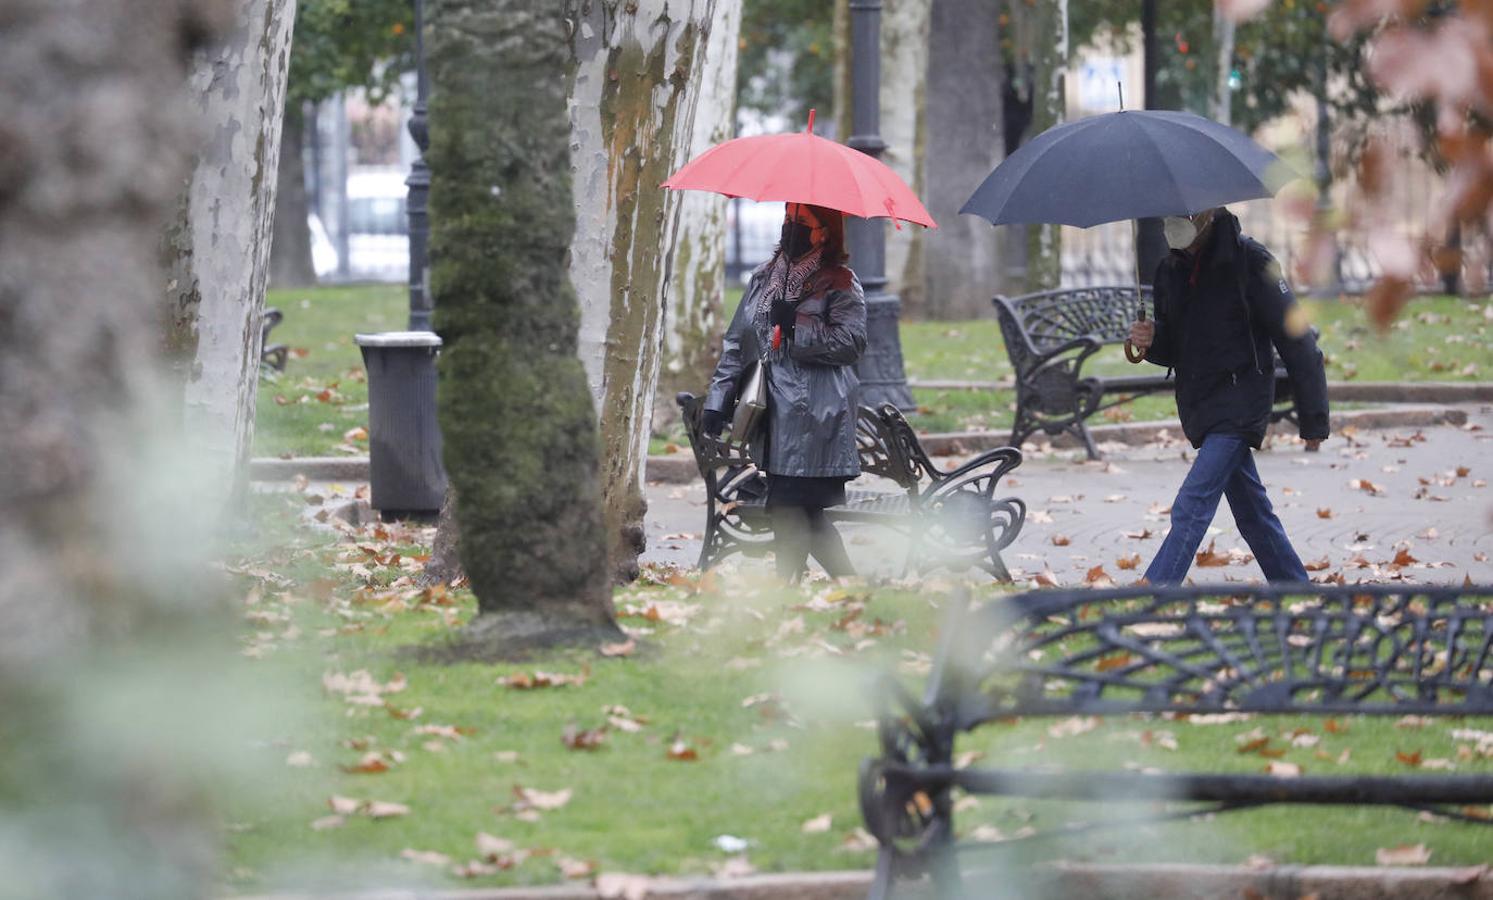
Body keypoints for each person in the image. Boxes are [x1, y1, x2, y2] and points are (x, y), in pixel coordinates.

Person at [1127, 207, 1329, 585]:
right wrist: (1151, 340)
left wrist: (1313, 417)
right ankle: (1296, 589)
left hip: (1242, 401)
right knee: (1254, 513)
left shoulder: (1251, 261)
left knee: (1192, 504)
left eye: (1187, 213)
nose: (1176, 221)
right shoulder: (1169, 270)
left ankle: (1152, 595)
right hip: (1199, 403)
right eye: (1172, 212)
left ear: (1210, 213)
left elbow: (1297, 340)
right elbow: (1173, 347)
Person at [701, 202, 867, 582]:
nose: (790, 229)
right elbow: (736, 344)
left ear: (823, 231)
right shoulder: (763, 278)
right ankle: (848, 585)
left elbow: (852, 344)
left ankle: (786, 589)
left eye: (801, 223)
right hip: (773, 416)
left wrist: (796, 324)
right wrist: (718, 401)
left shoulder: (840, 281)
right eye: (788, 220)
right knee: (798, 511)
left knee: (789, 508)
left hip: (816, 418)